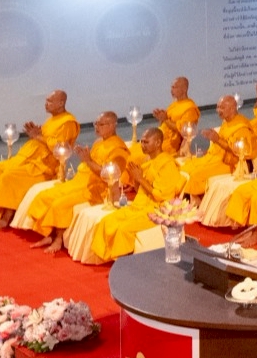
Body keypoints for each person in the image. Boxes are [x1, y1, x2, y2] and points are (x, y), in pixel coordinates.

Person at [0, 90, 78, 225]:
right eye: (46, 101)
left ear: (61, 103)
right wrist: (37, 133)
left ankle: (5, 218)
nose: (46, 104)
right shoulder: (52, 119)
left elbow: (60, 147)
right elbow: (47, 137)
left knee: (9, 176)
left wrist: (38, 136)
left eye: (50, 101)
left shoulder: (68, 122)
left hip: (44, 166)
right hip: (28, 156)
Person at [28, 111, 128, 253]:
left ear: (112, 125)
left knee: (60, 204)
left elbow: (112, 175)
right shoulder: (99, 142)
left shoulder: (118, 148)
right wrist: (86, 160)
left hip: (98, 188)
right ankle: (48, 234)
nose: (97, 127)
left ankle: (58, 239)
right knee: (44, 196)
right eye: (96, 124)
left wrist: (88, 161)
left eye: (101, 124)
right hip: (81, 180)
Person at [85, 127, 184, 263]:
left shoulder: (167, 164)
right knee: (107, 221)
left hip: (157, 210)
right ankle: (108, 257)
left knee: (123, 229)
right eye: (141, 141)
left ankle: (123, 261)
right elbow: (140, 191)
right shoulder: (148, 161)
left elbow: (161, 196)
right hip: (139, 205)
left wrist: (140, 179)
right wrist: (137, 179)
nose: (142, 145)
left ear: (158, 142)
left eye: (146, 142)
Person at [182, 96, 251, 196]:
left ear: (233, 108)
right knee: (186, 167)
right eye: (218, 107)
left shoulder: (241, 127)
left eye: (222, 108)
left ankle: (193, 202)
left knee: (196, 175)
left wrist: (217, 139)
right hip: (215, 157)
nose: (218, 111)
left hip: (230, 163)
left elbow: (239, 151)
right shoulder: (226, 122)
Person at [157, 77, 200, 150]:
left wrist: (165, 120)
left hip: (171, 145)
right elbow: (164, 124)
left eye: (175, 87)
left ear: (184, 89)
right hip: (160, 138)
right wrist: (161, 117)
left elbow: (184, 130)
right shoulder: (173, 105)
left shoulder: (190, 108)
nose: (172, 90)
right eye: (171, 87)